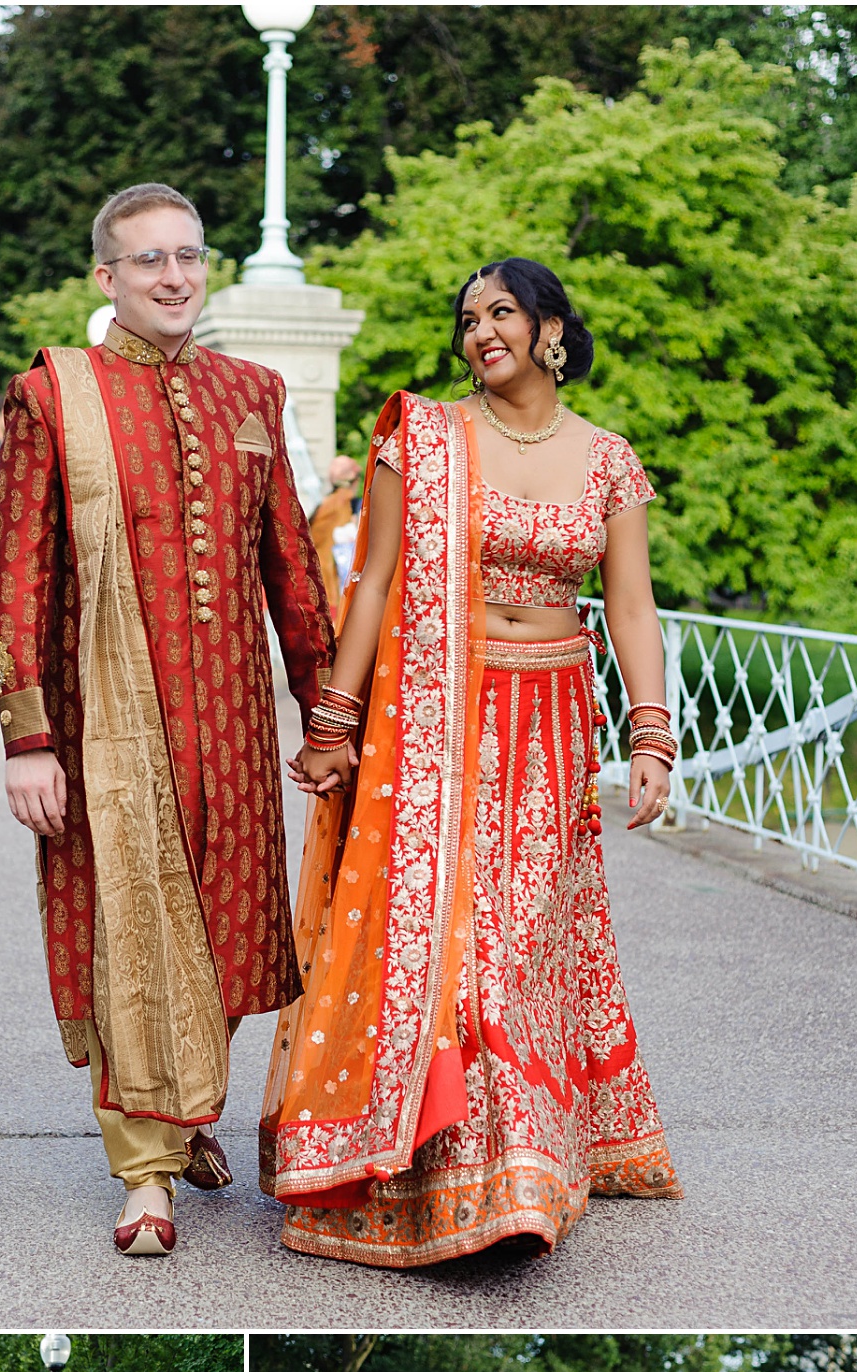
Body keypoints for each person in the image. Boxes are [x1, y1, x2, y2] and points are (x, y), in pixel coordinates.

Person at [261, 257, 681, 1265]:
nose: (478, 331)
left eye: (499, 312)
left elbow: (628, 604)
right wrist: (333, 720)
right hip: (435, 721)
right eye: (465, 319)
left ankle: (521, 1170)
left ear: (550, 330)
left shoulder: (607, 461)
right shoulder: (429, 437)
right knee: (461, 951)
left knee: (526, 943)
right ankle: (475, 1182)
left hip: (549, 722)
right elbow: (371, 587)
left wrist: (650, 729)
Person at [0, 181, 335, 1257]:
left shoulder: (251, 391)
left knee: (233, 936)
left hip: (229, 723)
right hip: (108, 731)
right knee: (128, 929)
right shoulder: (57, 397)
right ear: (108, 278)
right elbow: (16, 580)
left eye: (189, 255)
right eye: (149, 261)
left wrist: (326, 715)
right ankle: (144, 1170)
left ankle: (185, 1113)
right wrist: (28, 739)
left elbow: (292, 569)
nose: (175, 276)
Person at [309, 453, 362, 600]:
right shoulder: (343, 503)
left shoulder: (327, 503)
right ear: (354, 480)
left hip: (320, 577)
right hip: (331, 578)